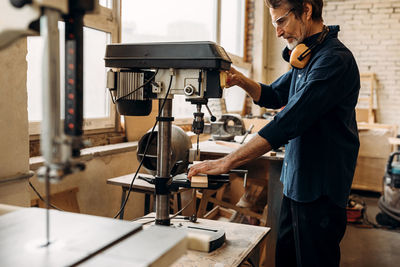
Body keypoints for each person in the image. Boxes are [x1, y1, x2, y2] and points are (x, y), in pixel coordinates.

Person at [188, 0, 360, 266]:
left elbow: (289, 121)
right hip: (296, 185)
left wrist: (226, 162)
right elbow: (275, 94)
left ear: (306, 10)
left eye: (281, 21)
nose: (278, 32)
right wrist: (240, 79)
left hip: (320, 190)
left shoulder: (333, 61)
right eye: (274, 24)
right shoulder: (307, 57)